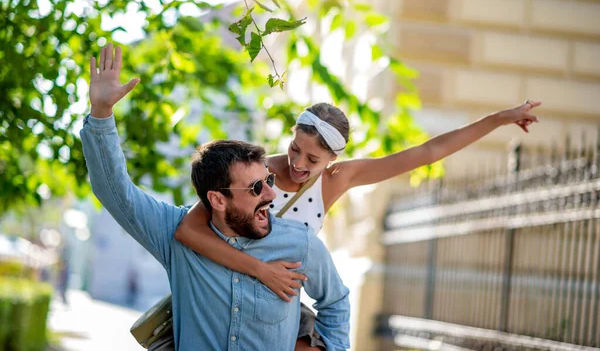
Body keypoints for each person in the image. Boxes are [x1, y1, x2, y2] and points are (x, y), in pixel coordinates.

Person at [174, 76, 541, 349]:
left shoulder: (336, 180)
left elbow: (428, 152)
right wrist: (259, 269)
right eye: (294, 148)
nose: (298, 163)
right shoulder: (256, 172)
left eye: (313, 159)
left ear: (333, 159)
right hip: (227, 295)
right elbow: (189, 231)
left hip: (278, 310)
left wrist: (500, 119)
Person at [80, 44, 351, 350]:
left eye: (269, 180)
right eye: (256, 188)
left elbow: (336, 303)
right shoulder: (175, 234)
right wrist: (102, 113)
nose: (272, 194)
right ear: (218, 200)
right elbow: (115, 191)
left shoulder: (299, 243)